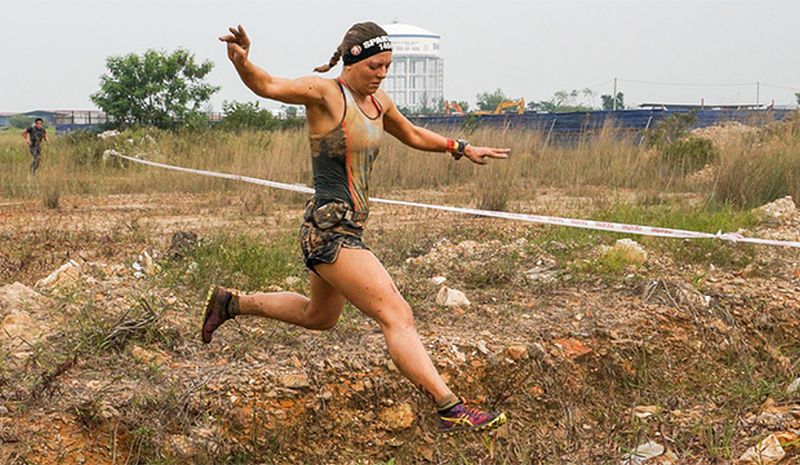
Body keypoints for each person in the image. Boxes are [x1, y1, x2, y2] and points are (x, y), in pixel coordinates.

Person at [205, 22, 510, 434]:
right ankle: (448, 405)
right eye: (374, 66)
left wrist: (460, 147)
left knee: (319, 317)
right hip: (329, 230)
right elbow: (269, 85)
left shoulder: (378, 102)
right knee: (397, 314)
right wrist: (243, 62)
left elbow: (413, 134)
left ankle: (231, 303)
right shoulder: (325, 94)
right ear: (351, 60)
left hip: (349, 228)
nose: (382, 74)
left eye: (387, 66)